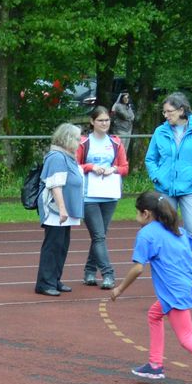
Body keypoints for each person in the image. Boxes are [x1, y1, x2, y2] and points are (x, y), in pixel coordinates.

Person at [109, 190, 192, 384]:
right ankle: (155, 364)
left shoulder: (146, 234)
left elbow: (138, 268)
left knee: (186, 338)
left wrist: (119, 289)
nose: (136, 217)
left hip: (175, 292)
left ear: (146, 213)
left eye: (137, 212)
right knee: (154, 314)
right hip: (187, 285)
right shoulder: (177, 230)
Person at [143, 92, 192, 245]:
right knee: (165, 230)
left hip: (189, 189)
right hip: (164, 188)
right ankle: (168, 261)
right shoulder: (160, 131)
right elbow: (150, 158)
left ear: (181, 110)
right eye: (164, 112)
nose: (166, 115)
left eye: (169, 111)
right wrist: (156, 176)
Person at [77, 104, 128, 290]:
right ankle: (108, 273)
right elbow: (75, 165)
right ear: (92, 122)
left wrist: (113, 169)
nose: (104, 123)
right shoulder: (84, 142)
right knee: (98, 236)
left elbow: (124, 167)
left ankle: (89, 271)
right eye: (100, 120)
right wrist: (91, 167)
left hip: (109, 194)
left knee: (99, 236)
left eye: (107, 120)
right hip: (89, 195)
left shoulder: (116, 142)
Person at [34, 123, 85, 296]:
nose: (79, 142)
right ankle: (45, 283)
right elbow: (55, 185)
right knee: (53, 246)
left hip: (64, 211)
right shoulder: (57, 157)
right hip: (55, 210)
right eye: (77, 139)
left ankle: (54, 279)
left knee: (62, 246)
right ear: (67, 139)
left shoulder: (68, 156)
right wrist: (62, 209)